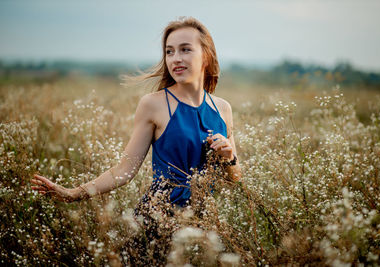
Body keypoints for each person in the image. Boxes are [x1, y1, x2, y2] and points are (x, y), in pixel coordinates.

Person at [30, 17, 242, 263]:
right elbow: (124, 170)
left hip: (205, 225)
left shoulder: (223, 109)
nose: (176, 58)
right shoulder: (153, 104)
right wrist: (73, 194)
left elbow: (235, 177)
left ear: (206, 55)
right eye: (169, 52)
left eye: (185, 49)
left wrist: (229, 157)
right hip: (159, 219)